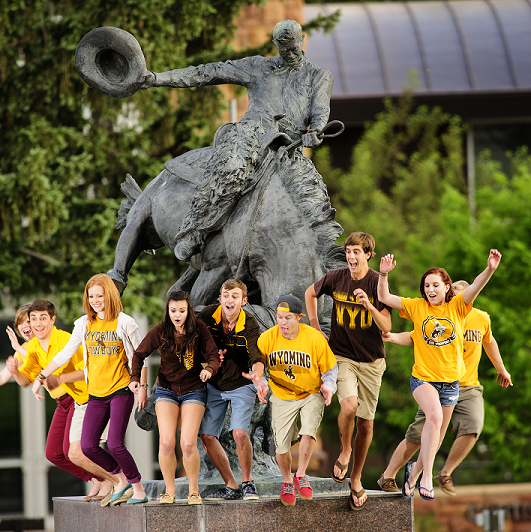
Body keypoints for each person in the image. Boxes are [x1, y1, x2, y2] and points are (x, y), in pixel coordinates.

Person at [134, 19, 340, 264]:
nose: (290, 53)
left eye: (293, 47)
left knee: (314, 197)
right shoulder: (257, 66)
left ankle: (324, 263)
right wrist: (157, 78)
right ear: (275, 45)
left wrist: (315, 131)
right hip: (250, 138)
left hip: (288, 148)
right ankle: (194, 229)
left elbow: (320, 111)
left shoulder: (319, 76)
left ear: (302, 39)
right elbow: (207, 72)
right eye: (284, 48)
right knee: (231, 168)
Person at [377, 249, 502, 500]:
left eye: (436, 285)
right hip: (423, 379)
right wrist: (383, 274)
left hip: (451, 383)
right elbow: (385, 296)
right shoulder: (417, 306)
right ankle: (426, 476)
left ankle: (413, 474)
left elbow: (476, 286)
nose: (430, 289)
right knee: (433, 417)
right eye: (427, 285)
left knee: (435, 436)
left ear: (447, 288)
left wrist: (489, 269)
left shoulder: (458, 307)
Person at [31, 275, 148, 505]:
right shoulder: (83, 323)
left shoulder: (125, 322)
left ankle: (138, 489)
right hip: (95, 393)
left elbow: (139, 357)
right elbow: (64, 354)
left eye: (100, 296)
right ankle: (120, 479)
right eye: (91, 296)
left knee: (115, 443)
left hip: (120, 390)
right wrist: (41, 375)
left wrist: (142, 388)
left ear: (109, 296)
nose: (95, 300)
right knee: (87, 446)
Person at [305, 231, 391, 510]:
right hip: (341, 356)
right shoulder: (336, 277)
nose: (351, 256)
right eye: (349, 251)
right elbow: (310, 292)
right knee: (349, 406)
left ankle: (356, 479)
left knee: (366, 425)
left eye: (357, 252)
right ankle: (344, 450)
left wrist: (369, 304)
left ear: (368, 254)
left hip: (372, 362)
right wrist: (316, 326)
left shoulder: (378, 282)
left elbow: (387, 327)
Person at [7, 299, 112, 499]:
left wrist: (60, 378)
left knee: (74, 450)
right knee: (54, 453)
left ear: (52, 320)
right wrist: (14, 371)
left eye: (41, 319)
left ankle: (110, 479)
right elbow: (25, 380)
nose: (35, 325)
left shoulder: (65, 340)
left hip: (80, 398)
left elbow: (89, 370)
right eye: (32, 320)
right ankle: (98, 479)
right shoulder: (35, 347)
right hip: (63, 403)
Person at [130, 290, 220, 505]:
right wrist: (136, 380)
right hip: (166, 390)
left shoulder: (199, 329)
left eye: (181, 310)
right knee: (167, 443)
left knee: (188, 444)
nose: (177, 314)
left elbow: (213, 356)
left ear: (188, 310)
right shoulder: (160, 330)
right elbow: (138, 354)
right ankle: (169, 490)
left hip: (193, 390)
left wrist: (209, 368)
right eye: (173, 310)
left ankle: (193, 490)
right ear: (168, 311)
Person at [257, 295, 337, 507]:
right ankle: (287, 481)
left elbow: (330, 368)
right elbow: (256, 366)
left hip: (311, 391)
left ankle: (300, 475)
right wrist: (261, 382)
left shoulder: (314, 338)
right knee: (281, 447)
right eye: (280, 317)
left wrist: (329, 386)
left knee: (309, 429)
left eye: (288, 318)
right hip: (282, 393)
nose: (283, 323)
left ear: (300, 318)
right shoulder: (266, 338)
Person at [197, 279, 265, 500]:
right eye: (226, 295)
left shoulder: (250, 323)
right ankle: (231, 485)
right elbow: (196, 345)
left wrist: (257, 376)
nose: (229, 300)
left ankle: (248, 483)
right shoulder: (207, 316)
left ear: (244, 301)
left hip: (241, 384)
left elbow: (257, 357)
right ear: (220, 298)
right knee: (206, 436)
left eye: (235, 296)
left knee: (239, 433)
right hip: (214, 385)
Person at [1, 304, 33, 385]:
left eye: (28, 321)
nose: (24, 326)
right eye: (20, 322)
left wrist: (17, 347)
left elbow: (41, 360)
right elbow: (2, 377)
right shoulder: (23, 348)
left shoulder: (48, 341)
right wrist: (15, 371)